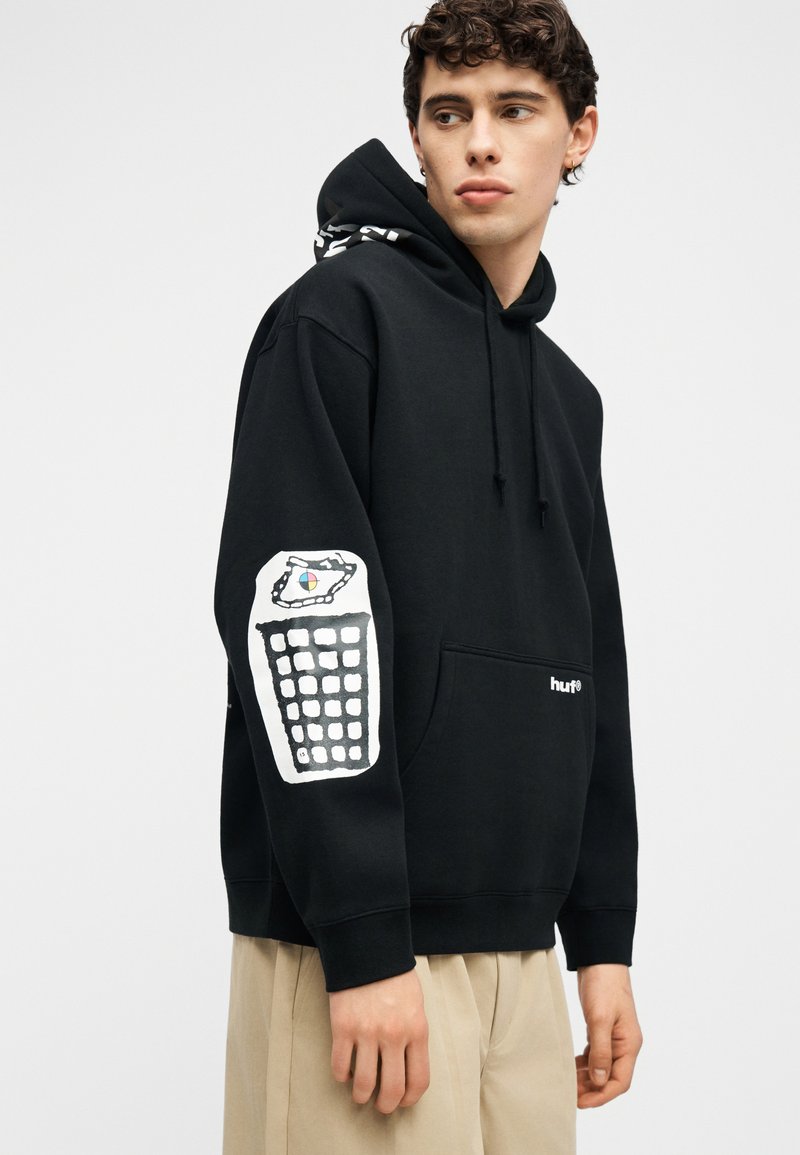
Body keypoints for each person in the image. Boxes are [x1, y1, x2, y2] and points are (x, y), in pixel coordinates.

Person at [213, 1, 643, 1151]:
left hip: (520, 956)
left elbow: (589, 671)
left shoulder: (567, 398)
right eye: (447, 114)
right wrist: (362, 938)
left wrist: (600, 938)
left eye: (515, 110)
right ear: (415, 138)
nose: (479, 142)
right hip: (357, 955)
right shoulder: (334, 324)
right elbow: (299, 629)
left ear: (577, 133)